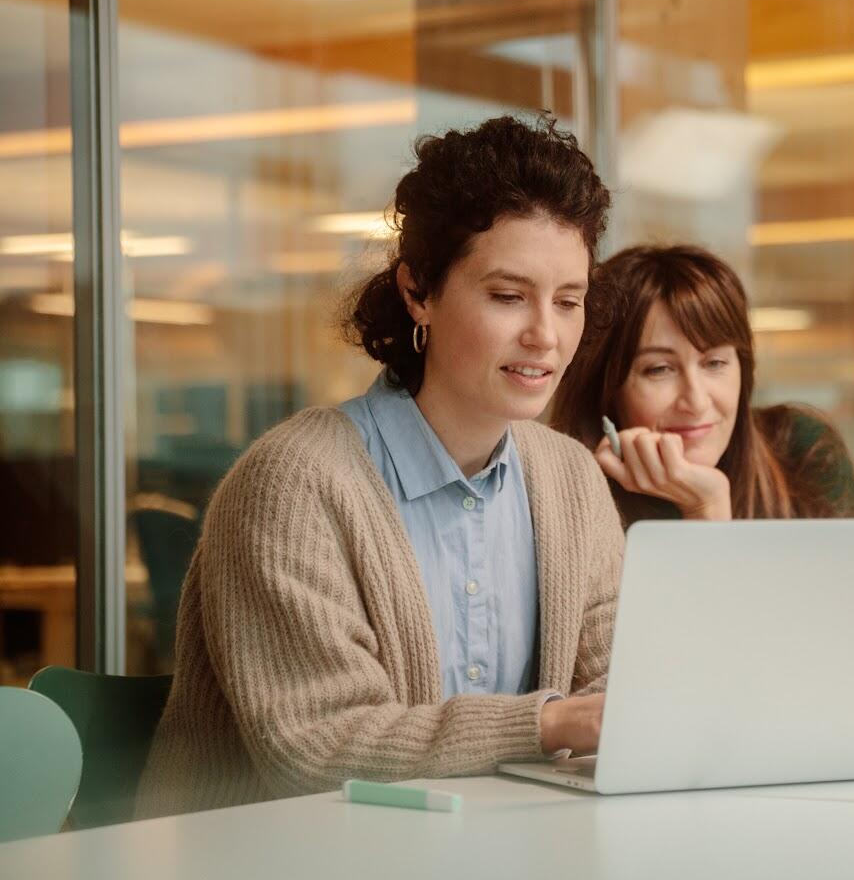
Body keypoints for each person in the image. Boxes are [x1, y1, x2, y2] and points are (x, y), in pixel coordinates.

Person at [138, 114, 622, 817]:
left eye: (569, 301)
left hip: (489, 871)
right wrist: (546, 722)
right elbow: (315, 745)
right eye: (508, 296)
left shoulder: (573, 480)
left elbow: (622, 700)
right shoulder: (291, 484)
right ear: (418, 291)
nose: (546, 335)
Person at [548, 243, 854, 525]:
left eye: (714, 363)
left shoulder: (801, 450)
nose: (697, 401)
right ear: (606, 390)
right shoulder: (572, 502)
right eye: (660, 369)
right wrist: (704, 506)